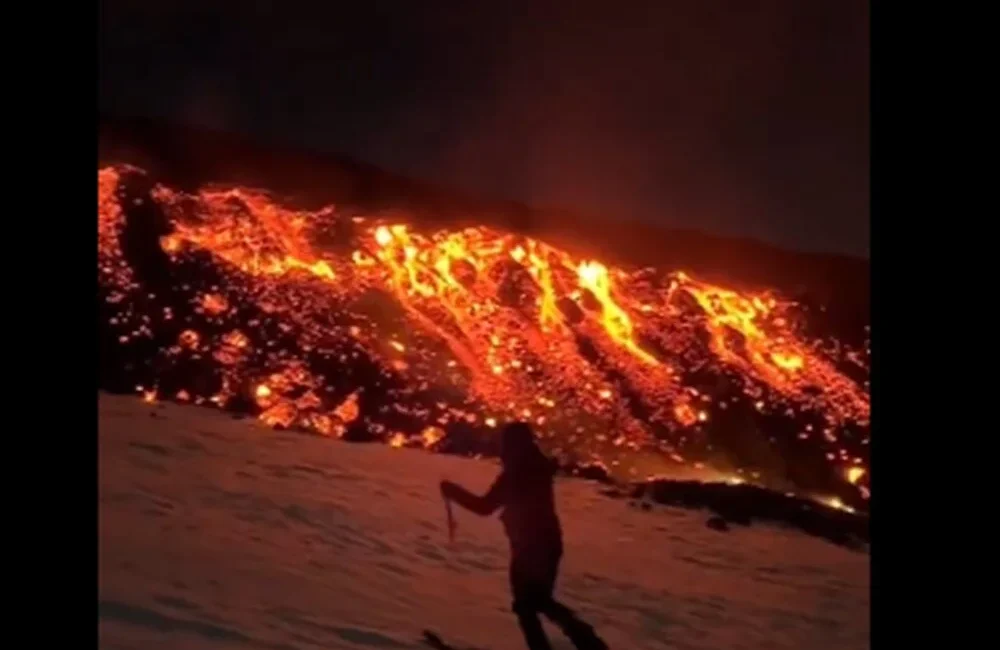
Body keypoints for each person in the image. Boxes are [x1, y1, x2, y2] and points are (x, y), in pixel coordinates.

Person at [439, 422, 609, 650]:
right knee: (538, 600)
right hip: (549, 544)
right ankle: (586, 640)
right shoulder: (538, 467)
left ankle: (578, 640)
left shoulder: (516, 473)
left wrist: (453, 491)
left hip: (528, 547)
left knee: (526, 605)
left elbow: (484, 507)